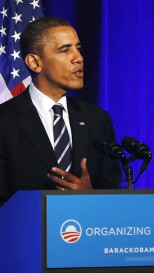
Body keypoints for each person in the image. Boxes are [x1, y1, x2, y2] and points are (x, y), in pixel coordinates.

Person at [0, 16, 122, 207]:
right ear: (34, 62)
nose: (79, 58)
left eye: (78, 48)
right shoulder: (4, 121)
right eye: (65, 50)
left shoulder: (97, 119)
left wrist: (91, 197)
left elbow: (114, 194)